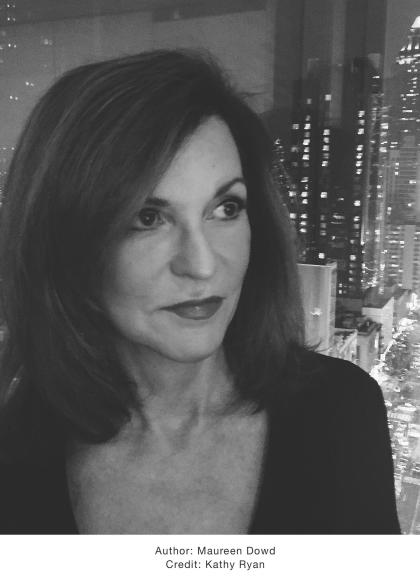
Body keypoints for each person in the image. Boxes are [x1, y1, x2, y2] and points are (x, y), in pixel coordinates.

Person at [0, 49, 400, 534]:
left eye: (226, 208)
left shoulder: (342, 413)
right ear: (64, 244)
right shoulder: (14, 458)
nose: (203, 264)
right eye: (148, 218)